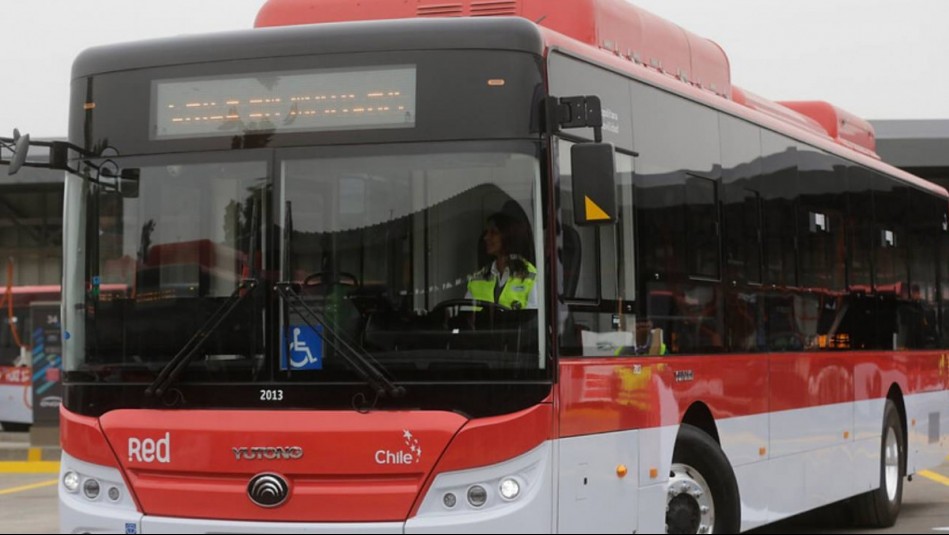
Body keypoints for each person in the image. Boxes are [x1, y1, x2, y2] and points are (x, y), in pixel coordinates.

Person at [465, 211, 537, 310]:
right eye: (487, 232)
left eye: (493, 232)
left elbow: (534, 319)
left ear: (509, 236)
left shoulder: (531, 276)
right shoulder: (478, 278)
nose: (486, 238)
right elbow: (466, 317)